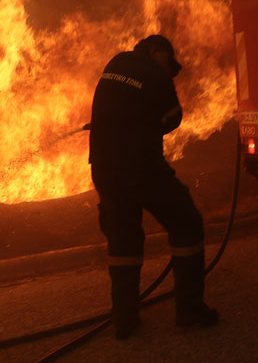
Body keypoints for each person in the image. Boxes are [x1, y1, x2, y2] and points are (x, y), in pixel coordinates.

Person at [88, 34, 218, 339]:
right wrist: (147, 126)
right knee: (186, 222)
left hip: (104, 168)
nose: (168, 68)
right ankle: (189, 310)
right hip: (141, 167)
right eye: (167, 61)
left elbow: (112, 107)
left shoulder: (115, 62)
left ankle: (124, 318)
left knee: (123, 239)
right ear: (156, 51)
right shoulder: (155, 72)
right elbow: (173, 119)